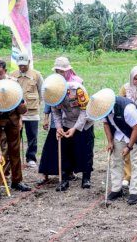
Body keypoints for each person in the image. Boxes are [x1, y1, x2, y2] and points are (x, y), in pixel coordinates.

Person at [89, 88, 137, 206]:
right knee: (115, 160)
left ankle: (134, 192)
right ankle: (117, 189)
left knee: (136, 161)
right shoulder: (103, 109)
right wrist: (110, 142)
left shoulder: (127, 108)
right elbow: (106, 124)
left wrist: (129, 147)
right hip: (120, 131)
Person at [0, 59, 32, 200]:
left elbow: (23, 110)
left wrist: (21, 104)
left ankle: (17, 181)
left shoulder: (13, 85)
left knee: (15, 150)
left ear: (5, 71)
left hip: (12, 120)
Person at [48, 58, 93, 191]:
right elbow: (55, 111)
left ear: (67, 71)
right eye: (57, 71)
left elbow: (85, 110)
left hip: (84, 123)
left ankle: (86, 177)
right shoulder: (53, 90)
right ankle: (65, 179)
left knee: (85, 150)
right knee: (65, 151)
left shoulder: (77, 89)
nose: (59, 74)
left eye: (62, 71)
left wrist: (75, 128)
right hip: (67, 120)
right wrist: (59, 127)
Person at [10, 53, 44, 168]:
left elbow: (41, 90)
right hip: (16, 111)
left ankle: (31, 158)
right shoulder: (13, 75)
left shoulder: (36, 75)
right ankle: (15, 157)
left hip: (32, 111)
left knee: (32, 136)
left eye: (24, 65)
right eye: (20, 65)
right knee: (15, 135)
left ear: (28, 62)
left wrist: (38, 102)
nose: (22, 67)